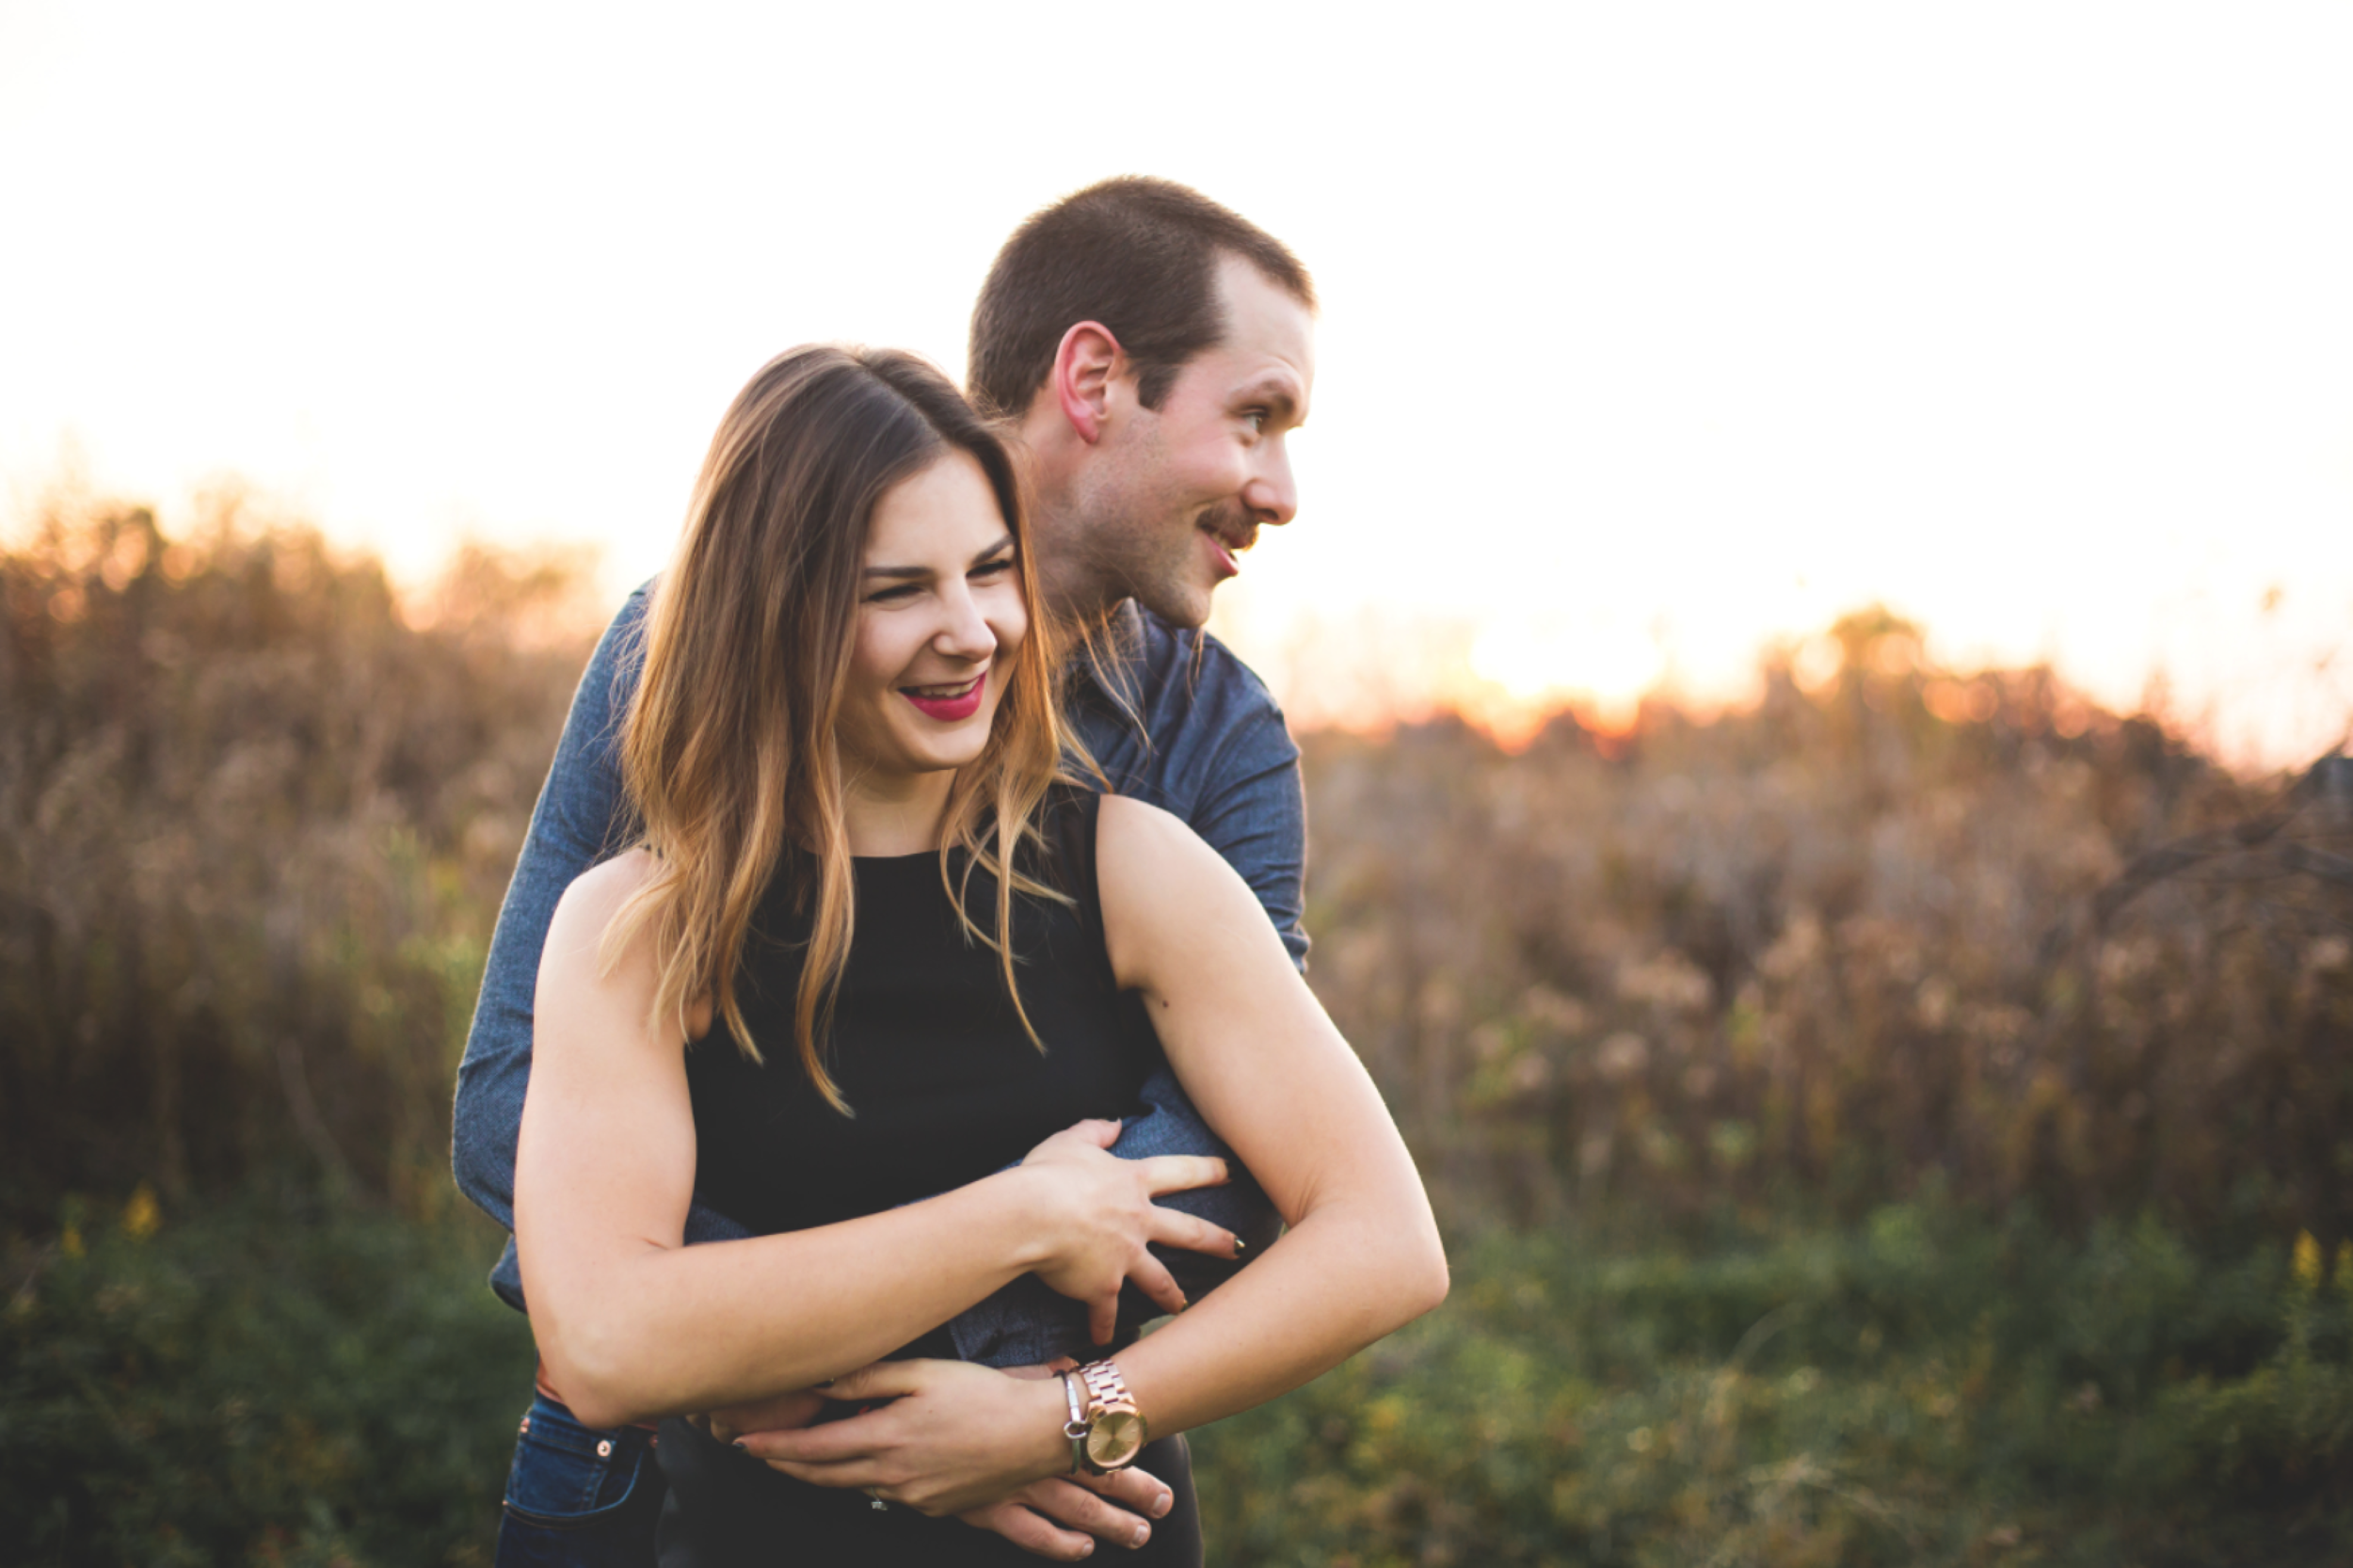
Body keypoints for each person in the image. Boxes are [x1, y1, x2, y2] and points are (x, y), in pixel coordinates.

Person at [455, 177, 1344, 1561]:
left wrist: (1018, 1421)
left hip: (1049, 1491)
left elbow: (1215, 1172)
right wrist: (868, 1418)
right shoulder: (681, 657)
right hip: (677, 1471)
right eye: (1257, 418)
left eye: (982, 581)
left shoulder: (1208, 748)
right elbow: (510, 1098)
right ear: (1096, 379)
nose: (1281, 490)